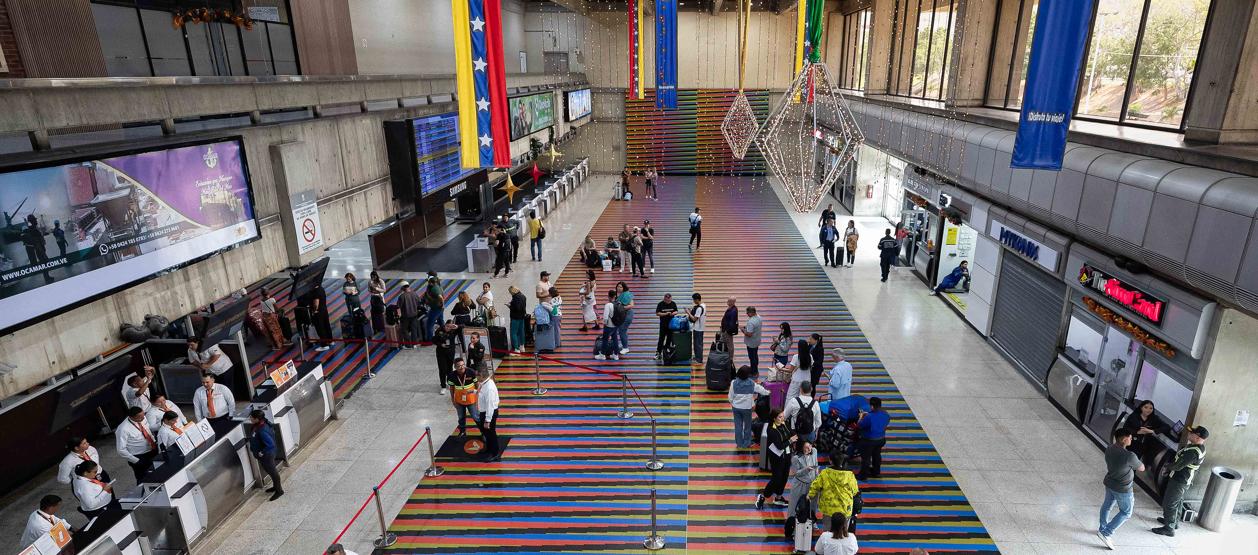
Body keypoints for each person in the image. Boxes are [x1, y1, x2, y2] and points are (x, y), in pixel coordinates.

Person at [1152, 426, 1209, 537]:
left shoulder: (1193, 452)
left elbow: (1178, 466)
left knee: (1170, 503)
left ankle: (1169, 528)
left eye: (1191, 433)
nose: (1189, 434)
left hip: (1180, 480)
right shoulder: (1197, 447)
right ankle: (1173, 522)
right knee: (1177, 502)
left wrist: (1167, 466)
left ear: (1197, 437)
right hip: (1182, 479)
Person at [1097, 428, 1144, 549]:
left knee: (1107, 505)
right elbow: (1141, 468)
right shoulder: (1129, 456)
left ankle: (1102, 528)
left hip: (1110, 482)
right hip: (1123, 488)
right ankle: (1106, 532)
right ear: (1124, 439)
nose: (1131, 439)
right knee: (1126, 512)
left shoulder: (1110, 448)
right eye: (1130, 437)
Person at [755, 408, 795, 509]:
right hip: (776, 457)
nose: (782, 419)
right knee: (776, 479)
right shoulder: (771, 430)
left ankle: (778, 497)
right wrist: (790, 441)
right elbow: (779, 446)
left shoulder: (784, 424)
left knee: (784, 476)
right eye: (780, 417)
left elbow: (790, 433)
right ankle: (763, 496)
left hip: (786, 455)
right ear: (774, 418)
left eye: (783, 416)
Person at [808, 465, 860, 533]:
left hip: (828, 509)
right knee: (843, 532)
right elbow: (855, 491)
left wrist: (809, 496)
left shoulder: (825, 473)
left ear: (831, 461)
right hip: (845, 509)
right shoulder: (850, 475)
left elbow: (815, 486)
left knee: (828, 531)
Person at [247, 410, 284, 500]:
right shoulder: (259, 425)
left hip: (267, 455)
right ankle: (275, 487)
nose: (250, 419)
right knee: (270, 471)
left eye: (251, 417)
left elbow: (271, 444)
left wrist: (262, 452)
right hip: (265, 455)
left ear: (257, 419)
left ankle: (279, 491)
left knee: (273, 472)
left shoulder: (262, 430)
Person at [728, 365, 769, 448]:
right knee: (747, 426)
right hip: (747, 408)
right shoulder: (751, 383)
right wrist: (768, 392)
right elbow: (760, 390)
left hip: (736, 408)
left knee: (738, 426)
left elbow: (730, 397)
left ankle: (739, 443)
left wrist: (733, 403)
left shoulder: (733, 383)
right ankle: (747, 443)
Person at [116, 406, 158, 481]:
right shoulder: (123, 429)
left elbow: (147, 430)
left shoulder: (143, 418)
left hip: (152, 449)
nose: (143, 418)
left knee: (158, 472)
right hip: (139, 456)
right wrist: (136, 460)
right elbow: (121, 450)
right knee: (144, 478)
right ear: (132, 417)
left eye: (143, 415)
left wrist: (154, 441)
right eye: (140, 417)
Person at [785, 440, 819, 529]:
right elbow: (796, 473)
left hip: (812, 484)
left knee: (813, 504)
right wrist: (806, 469)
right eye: (806, 447)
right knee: (794, 505)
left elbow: (816, 464)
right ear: (801, 448)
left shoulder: (814, 451)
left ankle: (812, 521)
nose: (809, 449)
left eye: (810, 446)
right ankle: (791, 525)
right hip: (799, 484)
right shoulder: (795, 458)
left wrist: (817, 478)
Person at [856, 396, 891, 480]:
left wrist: (861, 416)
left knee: (866, 458)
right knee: (876, 455)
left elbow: (859, 425)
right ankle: (876, 472)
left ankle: (863, 475)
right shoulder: (886, 414)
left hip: (869, 441)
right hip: (881, 439)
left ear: (871, 406)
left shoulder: (869, 417)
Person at [1123, 400, 1167, 464]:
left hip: (1143, 444)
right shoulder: (1134, 416)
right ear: (1141, 408)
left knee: (1136, 461)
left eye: (1151, 408)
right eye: (1146, 407)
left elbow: (1166, 427)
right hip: (1131, 441)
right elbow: (1125, 428)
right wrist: (1137, 432)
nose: (1148, 410)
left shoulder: (1154, 418)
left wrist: (1152, 431)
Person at [447, 358, 479, 436]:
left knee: (475, 416)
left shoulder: (471, 372)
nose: (462, 367)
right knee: (461, 417)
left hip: (471, 400)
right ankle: (462, 431)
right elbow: (451, 388)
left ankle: (483, 432)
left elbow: (477, 385)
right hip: (459, 401)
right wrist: (453, 400)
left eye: (463, 365)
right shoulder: (451, 376)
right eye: (459, 366)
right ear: (455, 367)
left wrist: (479, 397)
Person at [475, 368, 501, 462]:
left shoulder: (489, 388)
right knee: (486, 433)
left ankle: (495, 453)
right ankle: (489, 449)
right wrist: (474, 392)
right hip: (485, 412)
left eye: (477, 375)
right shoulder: (484, 383)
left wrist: (487, 420)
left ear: (481, 376)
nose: (476, 377)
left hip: (489, 413)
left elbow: (490, 406)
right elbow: (482, 394)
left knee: (491, 433)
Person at [595, 290, 622, 360]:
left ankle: (602, 355)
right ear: (615, 296)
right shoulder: (619, 303)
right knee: (615, 339)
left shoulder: (608, 305)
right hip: (616, 325)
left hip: (609, 326)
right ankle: (616, 355)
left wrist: (605, 324)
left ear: (609, 296)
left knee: (605, 340)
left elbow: (605, 317)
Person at [434, 320, 458, 395]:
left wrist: (457, 326)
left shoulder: (454, 330)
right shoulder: (439, 330)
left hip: (450, 352)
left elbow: (463, 327)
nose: (448, 328)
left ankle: (449, 383)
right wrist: (440, 344)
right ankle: (443, 386)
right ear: (445, 325)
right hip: (441, 352)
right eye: (447, 326)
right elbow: (434, 340)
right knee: (442, 369)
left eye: (450, 327)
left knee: (450, 369)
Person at [397, 281, 422, 349]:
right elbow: (419, 303)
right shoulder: (414, 294)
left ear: (402, 288)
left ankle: (408, 345)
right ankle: (414, 344)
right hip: (414, 315)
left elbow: (398, 306)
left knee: (404, 330)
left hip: (405, 316)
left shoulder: (401, 296)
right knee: (414, 329)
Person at [654, 293, 679, 360]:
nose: (668, 302)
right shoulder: (660, 304)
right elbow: (657, 313)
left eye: (669, 300)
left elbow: (676, 311)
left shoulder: (673, 303)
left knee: (669, 339)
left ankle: (666, 352)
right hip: (663, 325)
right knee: (661, 339)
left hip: (671, 325)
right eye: (667, 300)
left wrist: (673, 313)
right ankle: (658, 353)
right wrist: (665, 314)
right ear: (664, 299)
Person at [423, 274, 445, 341]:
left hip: (436, 309)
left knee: (429, 324)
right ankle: (445, 336)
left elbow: (440, 297)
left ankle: (429, 340)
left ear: (431, 282)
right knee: (441, 323)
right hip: (439, 308)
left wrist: (442, 305)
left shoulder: (434, 289)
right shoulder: (439, 286)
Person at [741, 306, 763, 372]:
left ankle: (754, 371)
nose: (747, 314)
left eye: (748, 313)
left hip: (751, 343)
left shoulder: (751, 322)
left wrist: (743, 330)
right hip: (757, 340)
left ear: (751, 312)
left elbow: (749, 334)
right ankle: (755, 367)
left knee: (752, 357)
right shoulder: (759, 317)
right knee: (755, 355)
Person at [615, 281, 634, 353]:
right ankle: (624, 344)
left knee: (622, 331)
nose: (619, 288)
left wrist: (621, 308)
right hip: (621, 315)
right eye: (618, 286)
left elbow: (631, 305)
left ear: (624, 288)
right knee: (622, 331)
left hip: (627, 315)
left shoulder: (627, 294)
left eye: (621, 287)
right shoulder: (620, 294)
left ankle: (625, 347)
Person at [688, 293, 707, 364]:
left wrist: (688, 313)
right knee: (697, 344)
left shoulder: (699, 308)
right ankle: (697, 357)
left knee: (698, 344)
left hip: (698, 328)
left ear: (697, 299)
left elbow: (694, 319)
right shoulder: (703, 305)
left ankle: (699, 359)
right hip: (700, 327)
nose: (693, 301)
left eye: (694, 300)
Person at [508, 285, 528, 351]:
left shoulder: (515, 298)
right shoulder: (523, 296)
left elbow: (517, 308)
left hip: (515, 318)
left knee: (514, 333)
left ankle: (516, 349)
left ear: (512, 291)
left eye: (510, 292)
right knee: (521, 332)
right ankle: (522, 347)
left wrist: (510, 306)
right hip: (522, 317)